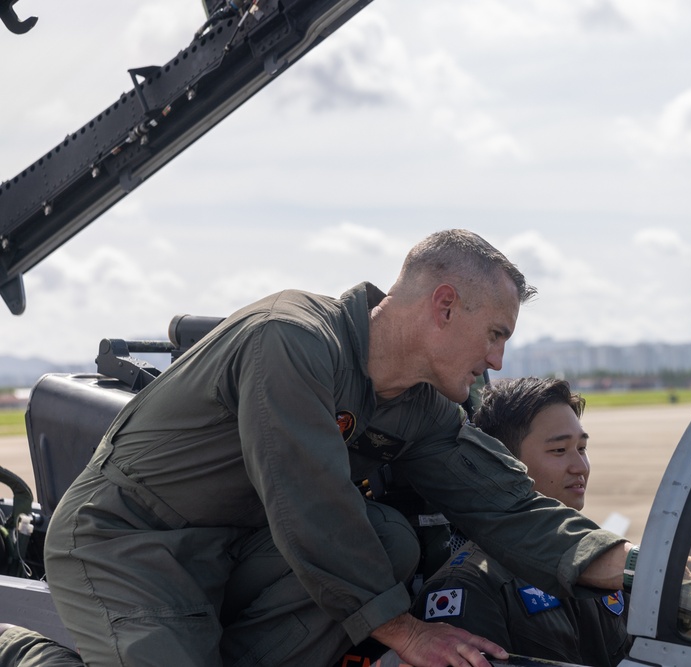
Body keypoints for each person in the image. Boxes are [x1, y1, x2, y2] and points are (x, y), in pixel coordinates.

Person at [11, 229, 632, 667]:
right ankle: (23, 653)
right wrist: (404, 631)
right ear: (444, 305)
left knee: (388, 539)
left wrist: (636, 569)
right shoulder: (291, 341)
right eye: (495, 334)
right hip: (131, 543)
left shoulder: (415, 403)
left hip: (232, 549)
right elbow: (311, 505)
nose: (498, 358)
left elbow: (503, 502)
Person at [413, 377, 631, 667]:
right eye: (559, 450)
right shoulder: (469, 587)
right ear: (503, 462)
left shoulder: (592, 556)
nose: (580, 467)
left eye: (581, 448)